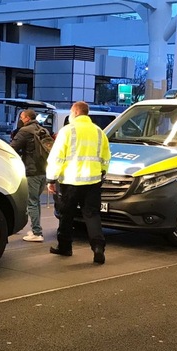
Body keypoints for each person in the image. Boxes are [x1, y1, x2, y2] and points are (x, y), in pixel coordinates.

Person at [46, 101, 111, 264]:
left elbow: (57, 157)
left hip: (70, 181)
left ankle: (65, 247)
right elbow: (106, 156)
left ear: (75, 112)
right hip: (93, 181)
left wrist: (51, 179)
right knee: (92, 215)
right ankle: (98, 248)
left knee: (66, 215)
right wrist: (102, 171)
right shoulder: (99, 132)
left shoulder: (67, 131)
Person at [9, 109, 48, 242]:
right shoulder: (43, 130)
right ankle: (36, 229)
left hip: (32, 171)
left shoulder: (25, 131)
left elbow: (12, 148)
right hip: (43, 170)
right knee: (36, 201)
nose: (20, 119)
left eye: (21, 117)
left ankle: (37, 232)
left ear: (26, 118)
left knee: (31, 202)